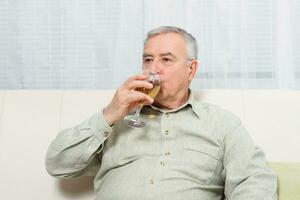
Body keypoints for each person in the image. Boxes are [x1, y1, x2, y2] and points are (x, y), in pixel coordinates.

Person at [45, 26, 278, 199]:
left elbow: (255, 181)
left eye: (166, 59)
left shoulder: (221, 123)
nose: (153, 69)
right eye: (148, 60)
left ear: (191, 69)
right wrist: (109, 115)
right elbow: (58, 165)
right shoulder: (117, 120)